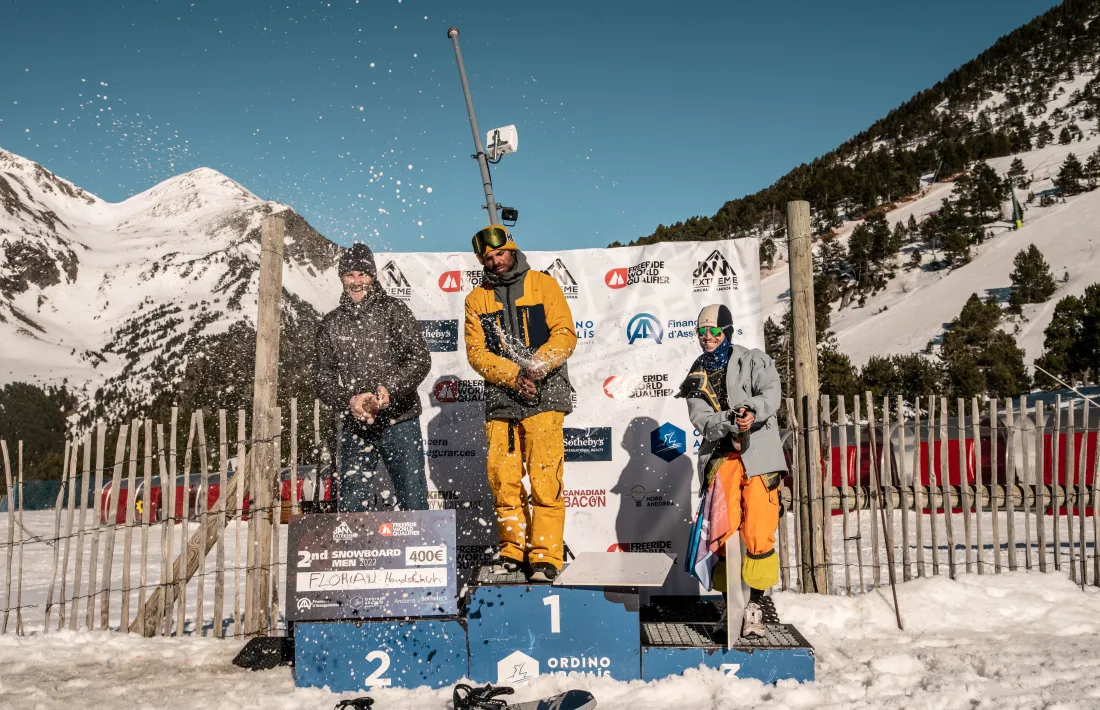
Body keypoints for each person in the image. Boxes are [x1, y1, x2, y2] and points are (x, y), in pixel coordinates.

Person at [463, 225, 577, 583]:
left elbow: (564, 335)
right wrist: (513, 375)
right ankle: (512, 551)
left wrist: (536, 367)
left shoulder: (544, 285)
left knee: (546, 480)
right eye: (489, 258)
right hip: (501, 399)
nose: (497, 262)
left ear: (512, 250)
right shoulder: (475, 299)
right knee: (503, 480)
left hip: (547, 396)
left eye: (501, 254)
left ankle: (545, 555)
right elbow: (476, 353)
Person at [678, 304, 786, 638]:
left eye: (714, 332)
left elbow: (771, 393)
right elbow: (703, 422)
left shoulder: (752, 360)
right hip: (721, 460)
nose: (708, 338)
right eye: (702, 332)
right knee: (722, 534)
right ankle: (730, 607)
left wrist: (751, 411)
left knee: (757, 530)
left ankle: (757, 605)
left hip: (759, 460)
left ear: (728, 331)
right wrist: (729, 418)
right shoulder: (696, 376)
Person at [315, 243, 432, 513]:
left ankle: (419, 551)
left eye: (362, 275)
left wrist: (388, 390)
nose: (356, 282)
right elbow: (323, 378)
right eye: (349, 275)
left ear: (373, 276)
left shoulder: (394, 310)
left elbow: (419, 359)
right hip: (356, 426)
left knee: (413, 500)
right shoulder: (330, 323)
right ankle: (354, 553)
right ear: (341, 277)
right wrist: (350, 400)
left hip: (400, 420)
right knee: (352, 505)